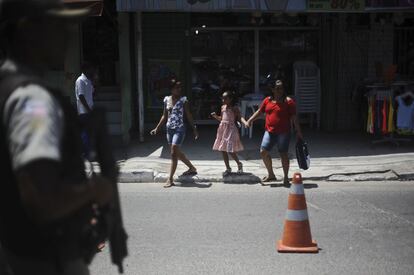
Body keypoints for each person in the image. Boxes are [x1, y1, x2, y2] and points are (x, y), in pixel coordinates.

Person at [0, 1, 114, 274]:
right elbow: (42, 199)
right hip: (43, 259)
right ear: (29, 30)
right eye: (58, 25)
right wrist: (93, 190)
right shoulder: (32, 100)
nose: (68, 33)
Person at [245, 80, 303, 185]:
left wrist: (298, 131)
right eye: (277, 88)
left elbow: (294, 118)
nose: (280, 90)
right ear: (272, 90)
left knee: (283, 154)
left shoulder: (288, 102)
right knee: (263, 152)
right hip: (269, 131)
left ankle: (285, 177)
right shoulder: (267, 100)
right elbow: (259, 112)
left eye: (281, 88)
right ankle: (271, 174)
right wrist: (249, 120)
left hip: (284, 133)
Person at [150, 79, 199, 188]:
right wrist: (157, 128)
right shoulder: (167, 100)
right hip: (169, 130)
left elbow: (189, 115)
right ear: (172, 89)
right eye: (177, 88)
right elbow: (164, 116)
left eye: (180, 87)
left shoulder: (183, 100)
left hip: (179, 129)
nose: (179, 89)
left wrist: (194, 128)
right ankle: (192, 168)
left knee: (173, 152)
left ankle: (170, 179)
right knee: (176, 152)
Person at [211, 91, 246, 176]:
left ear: (230, 99)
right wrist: (216, 116)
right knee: (223, 150)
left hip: (231, 130)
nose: (223, 100)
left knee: (230, 149)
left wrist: (245, 122)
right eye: (222, 98)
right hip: (223, 130)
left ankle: (239, 164)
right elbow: (222, 119)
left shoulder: (234, 108)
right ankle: (228, 168)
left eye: (225, 98)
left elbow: (240, 117)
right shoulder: (223, 107)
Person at [75, 62, 95, 159]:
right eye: (90, 69)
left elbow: (92, 94)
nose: (92, 71)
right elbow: (81, 96)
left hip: (89, 110)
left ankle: (87, 153)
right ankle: (84, 154)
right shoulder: (80, 80)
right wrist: (88, 109)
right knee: (85, 133)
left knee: (88, 133)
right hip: (83, 111)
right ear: (85, 70)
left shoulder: (88, 81)